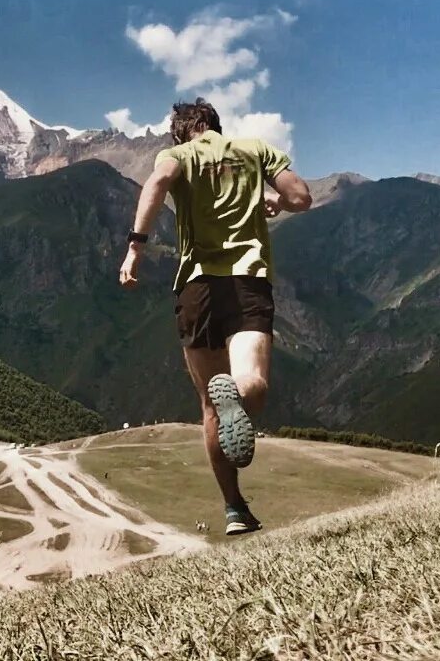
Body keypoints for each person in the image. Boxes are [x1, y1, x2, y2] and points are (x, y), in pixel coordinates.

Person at [118, 99, 311, 535]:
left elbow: (157, 183)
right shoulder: (256, 150)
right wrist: (275, 201)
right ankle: (238, 391)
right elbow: (302, 197)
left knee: (209, 404)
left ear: (181, 132)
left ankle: (234, 508)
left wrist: (136, 246)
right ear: (214, 125)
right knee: (253, 385)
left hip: (196, 287)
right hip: (247, 280)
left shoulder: (176, 156)